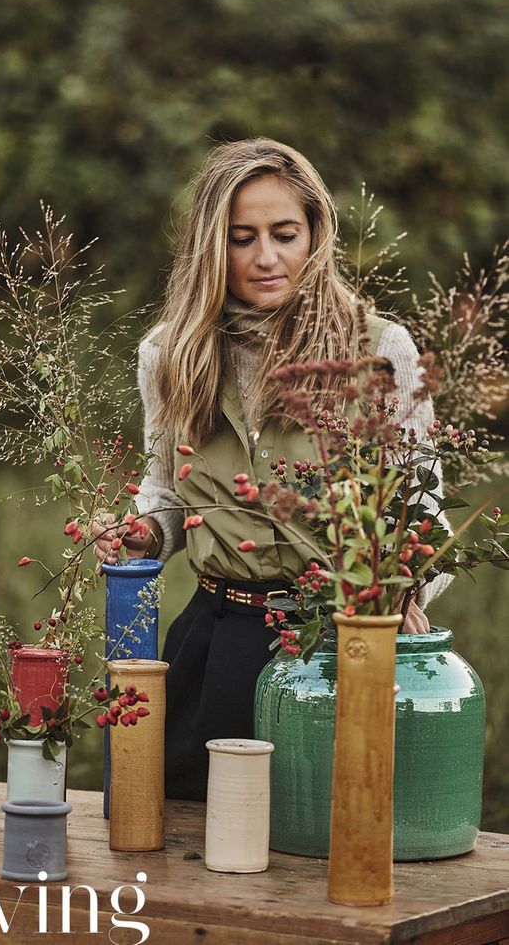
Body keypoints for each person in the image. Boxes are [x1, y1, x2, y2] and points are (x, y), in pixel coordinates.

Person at [93, 137, 453, 801]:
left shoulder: (382, 350)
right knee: (196, 852)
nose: (266, 257)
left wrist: (402, 590)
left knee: (334, 850)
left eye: (285, 233)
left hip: (341, 646)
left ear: (315, 232)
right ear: (211, 245)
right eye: (242, 237)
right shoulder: (169, 355)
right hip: (215, 644)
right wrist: (144, 530)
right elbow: (165, 488)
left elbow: (422, 506)